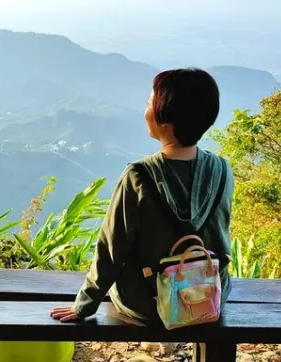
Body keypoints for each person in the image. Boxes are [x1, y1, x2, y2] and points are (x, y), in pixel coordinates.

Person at [50, 67, 233, 324]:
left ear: (164, 122)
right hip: (207, 298)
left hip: (152, 305)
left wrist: (84, 305)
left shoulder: (138, 176)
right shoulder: (222, 171)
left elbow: (112, 249)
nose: (145, 110)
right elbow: (219, 238)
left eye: (149, 103)